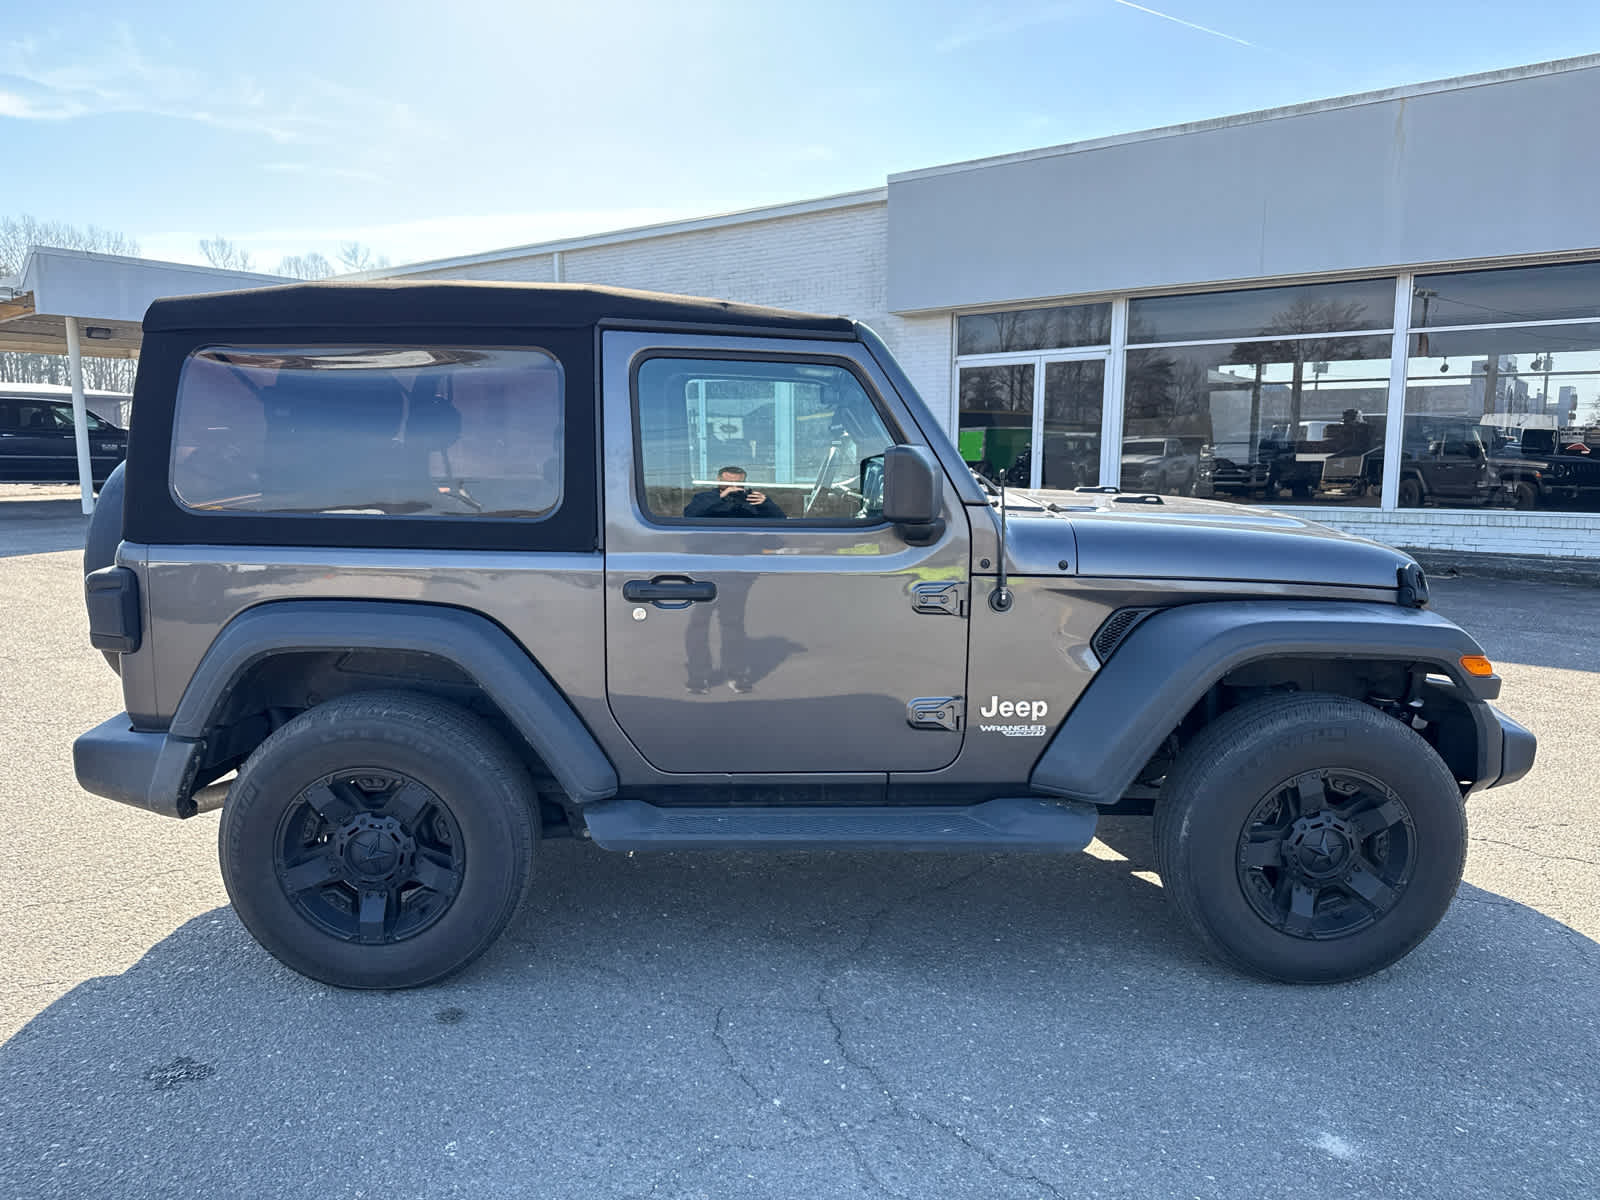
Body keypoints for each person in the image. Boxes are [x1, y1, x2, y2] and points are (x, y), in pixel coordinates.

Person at [682, 466, 786, 519]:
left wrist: (766, 504)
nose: (733, 486)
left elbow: (780, 520)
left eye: (738, 482)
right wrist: (720, 497)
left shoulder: (753, 499)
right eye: (728, 482)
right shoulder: (705, 497)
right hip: (712, 542)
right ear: (718, 480)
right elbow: (690, 515)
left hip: (749, 544)